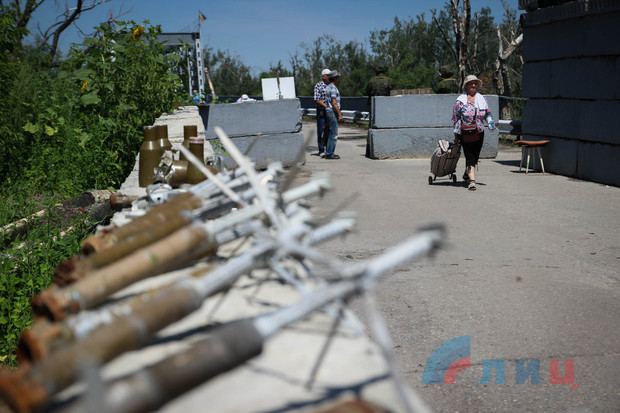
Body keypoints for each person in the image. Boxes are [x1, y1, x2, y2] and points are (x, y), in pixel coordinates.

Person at [452, 75, 496, 191]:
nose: (473, 85)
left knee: (475, 156)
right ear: (466, 85)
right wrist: (456, 136)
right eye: (471, 83)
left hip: (479, 131)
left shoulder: (482, 99)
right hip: (465, 132)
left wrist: (490, 123)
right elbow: (455, 118)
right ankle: (472, 181)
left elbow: (487, 113)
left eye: (475, 83)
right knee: (469, 155)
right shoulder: (460, 101)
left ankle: (466, 175)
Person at [323, 70, 344, 160]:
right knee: (333, 134)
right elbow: (334, 102)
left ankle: (329, 152)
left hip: (328, 111)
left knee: (330, 132)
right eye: (337, 77)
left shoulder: (328, 87)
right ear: (335, 78)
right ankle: (330, 153)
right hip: (332, 112)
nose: (338, 79)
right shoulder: (333, 88)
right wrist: (340, 114)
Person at [313, 68, 331, 155]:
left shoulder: (331, 85)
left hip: (330, 110)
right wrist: (326, 106)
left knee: (329, 130)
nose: (330, 77)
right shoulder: (318, 86)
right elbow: (317, 99)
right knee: (321, 130)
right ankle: (321, 149)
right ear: (323, 76)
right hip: (322, 110)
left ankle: (329, 149)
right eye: (328, 75)